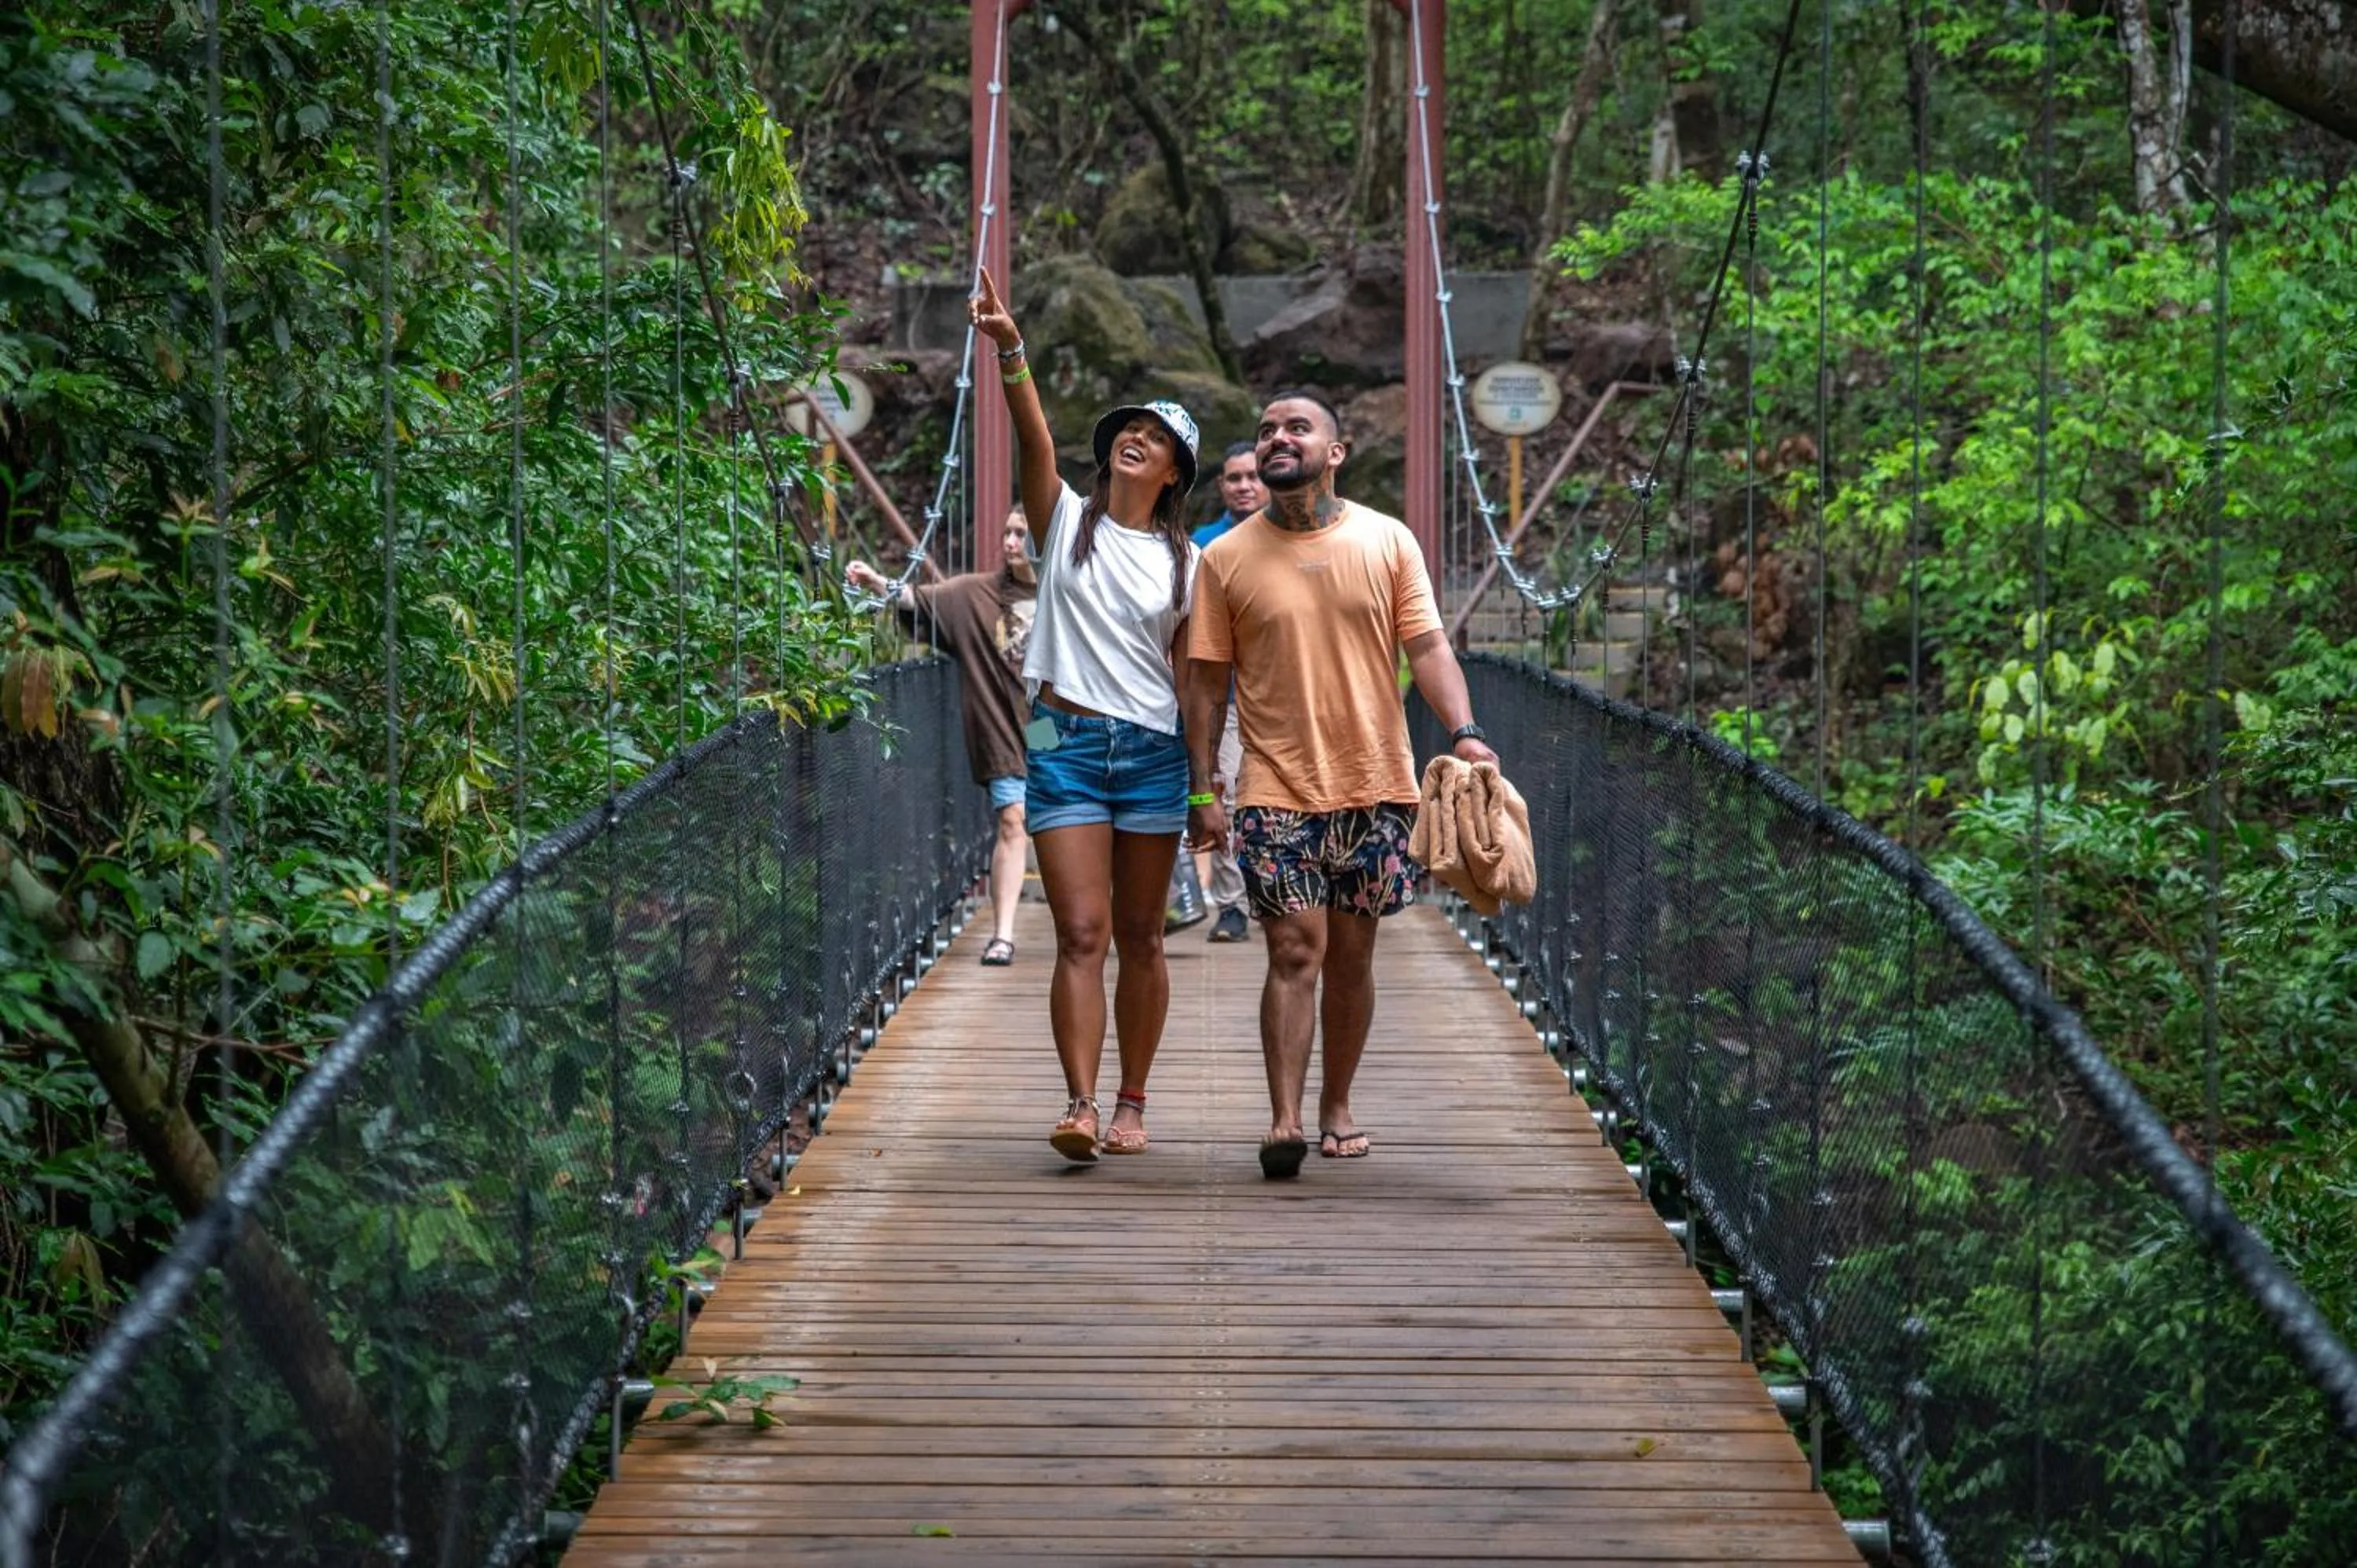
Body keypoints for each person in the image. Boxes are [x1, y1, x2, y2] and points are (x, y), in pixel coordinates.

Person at [1184, 389, 1497, 1179]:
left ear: (1336, 451)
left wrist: (1464, 731)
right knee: (1295, 948)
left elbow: (1426, 646)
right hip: (1273, 787)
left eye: (1298, 428)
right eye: (1266, 431)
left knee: (1352, 958)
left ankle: (1337, 1104)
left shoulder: (1388, 541)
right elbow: (1204, 683)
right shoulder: (1224, 559)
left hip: (1376, 787)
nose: (1277, 439)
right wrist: (1201, 790)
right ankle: (1285, 1117)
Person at [971, 266, 1202, 1164]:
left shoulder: (1190, 562)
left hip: (1151, 751)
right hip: (1060, 734)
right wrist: (1011, 350)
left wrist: (1207, 789)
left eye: (1154, 437)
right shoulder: (1065, 517)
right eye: (1125, 432)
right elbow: (1032, 437)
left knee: (1143, 936)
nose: (1134, 441)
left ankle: (1132, 1103)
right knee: (1079, 931)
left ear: (1176, 467)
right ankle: (1077, 1103)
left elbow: (1191, 681)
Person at [845, 506, 1037, 968]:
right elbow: (918, 599)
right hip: (1005, 733)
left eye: (1021, 534)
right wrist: (877, 582)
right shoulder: (978, 594)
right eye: (1007, 532)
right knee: (1013, 821)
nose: (1009, 542)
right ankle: (1004, 935)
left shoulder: (1068, 595)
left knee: (1066, 829)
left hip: (1052, 730)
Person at [1186, 443, 1265, 942]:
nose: (1244, 485)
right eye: (1234, 477)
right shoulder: (1203, 545)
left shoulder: (1294, 536)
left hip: (1287, 695)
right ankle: (1233, 905)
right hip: (1230, 696)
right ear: (1222, 486)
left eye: (1252, 476)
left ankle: (1280, 894)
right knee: (1229, 797)